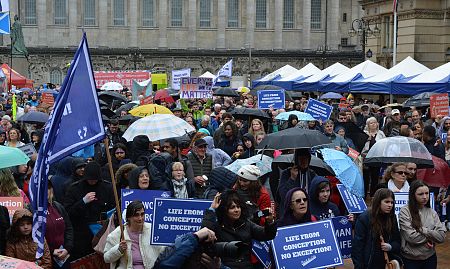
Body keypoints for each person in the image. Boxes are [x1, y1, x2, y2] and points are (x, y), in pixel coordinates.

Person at [201, 190, 276, 269]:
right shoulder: (217, 225)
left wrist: (270, 222)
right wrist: (212, 209)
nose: (236, 210)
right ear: (224, 210)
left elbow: (267, 235)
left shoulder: (246, 223)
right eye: (232, 207)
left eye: (238, 206)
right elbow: (204, 236)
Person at [63, 161, 115, 260]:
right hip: (82, 234)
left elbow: (113, 208)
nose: (92, 182)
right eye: (90, 180)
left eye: (94, 180)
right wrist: (82, 202)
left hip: (102, 231)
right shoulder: (74, 188)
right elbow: (67, 212)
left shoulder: (107, 188)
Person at [104, 200, 167, 269]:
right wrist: (119, 249)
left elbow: (165, 251)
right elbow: (106, 258)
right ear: (128, 217)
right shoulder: (117, 233)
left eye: (142, 214)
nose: (140, 218)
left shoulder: (153, 230)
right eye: (136, 215)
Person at [399, 180, 446, 269]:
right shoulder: (405, 211)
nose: (425, 197)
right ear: (413, 195)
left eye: (427, 193)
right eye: (420, 194)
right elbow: (412, 238)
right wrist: (432, 235)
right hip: (411, 259)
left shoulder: (432, 212)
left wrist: (422, 229)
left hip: (430, 258)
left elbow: (441, 236)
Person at [352, 188, 401, 269]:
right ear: (378, 202)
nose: (390, 205)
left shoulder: (392, 217)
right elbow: (357, 247)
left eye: (392, 202)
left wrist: (390, 246)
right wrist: (359, 266)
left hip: (386, 262)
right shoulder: (364, 218)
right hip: (368, 263)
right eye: (387, 202)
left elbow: (397, 241)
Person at [277, 148, 317, 215]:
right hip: (290, 213)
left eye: (306, 159)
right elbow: (283, 195)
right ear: (296, 160)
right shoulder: (287, 173)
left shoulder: (312, 174)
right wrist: (292, 179)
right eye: (301, 159)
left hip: (307, 212)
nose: (304, 161)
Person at [46, 180, 73, 269]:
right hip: (45, 258)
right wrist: (51, 251)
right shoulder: (32, 210)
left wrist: (67, 248)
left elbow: (68, 228)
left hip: (63, 256)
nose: (45, 191)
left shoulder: (58, 206)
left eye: (48, 188)